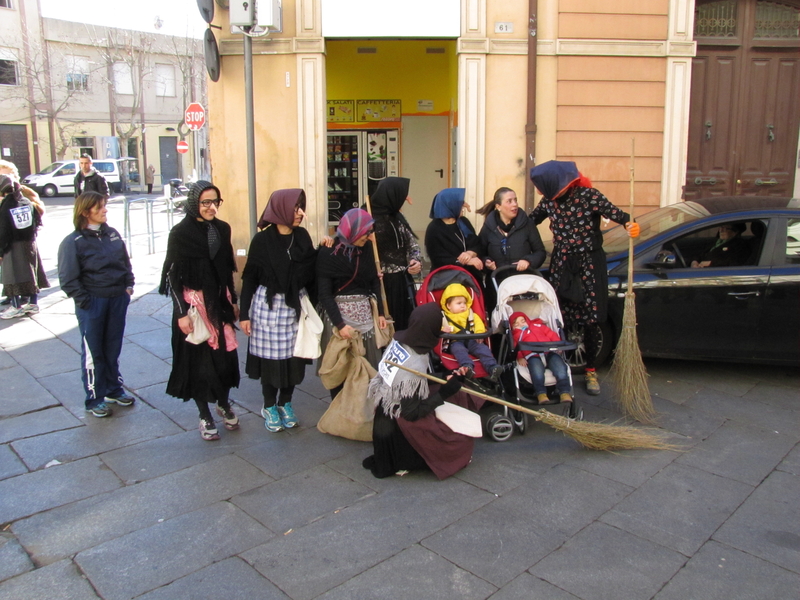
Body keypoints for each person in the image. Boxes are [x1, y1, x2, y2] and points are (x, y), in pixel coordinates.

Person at [530, 160, 639, 396]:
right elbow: (529, 222)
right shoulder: (548, 201)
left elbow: (618, 214)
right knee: (561, 316)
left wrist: (630, 224)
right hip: (562, 263)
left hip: (589, 263)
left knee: (591, 318)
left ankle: (590, 370)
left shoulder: (588, 196)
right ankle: (560, 366)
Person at [362, 302, 482, 479]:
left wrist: (444, 376)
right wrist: (445, 392)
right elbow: (411, 413)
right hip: (398, 426)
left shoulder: (400, 340)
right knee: (457, 441)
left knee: (457, 390)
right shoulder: (414, 363)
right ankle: (415, 458)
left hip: (385, 409)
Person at [159, 180, 240, 440]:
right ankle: (204, 413)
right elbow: (172, 275)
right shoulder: (180, 233)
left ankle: (224, 402)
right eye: (206, 202)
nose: (211, 207)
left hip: (220, 303)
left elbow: (227, 268)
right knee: (200, 363)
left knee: (226, 359)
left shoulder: (222, 229)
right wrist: (181, 313)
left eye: (215, 201)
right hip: (194, 307)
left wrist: (233, 299)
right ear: (194, 202)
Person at [239, 189, 318, 433]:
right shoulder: (262, 241)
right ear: (281, 208)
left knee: (294, 359)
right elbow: (249, 278)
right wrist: (243, 314)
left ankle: (285, 403)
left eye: (301, 208)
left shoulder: (302, 236)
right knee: (271, 362)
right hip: (268, 306)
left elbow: (312, 272)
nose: (301, 213)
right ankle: (269, 406)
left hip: (296, 306)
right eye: (296, 208)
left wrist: (325, 249)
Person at [57, 191, 135, 417]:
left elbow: (125, 262)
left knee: (113, 346)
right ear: (85, 212)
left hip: (117, 299)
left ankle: (113, 388)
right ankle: (94, 397)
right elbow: (68, 279)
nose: (105, 210)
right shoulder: (73, 242)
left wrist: (128, 287)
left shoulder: (112, 234)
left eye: (105, 206)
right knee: (93, 351)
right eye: (99, 207)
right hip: (93, 303)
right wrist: (86, 302)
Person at [316, 208, 387, 401]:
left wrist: (380, 313)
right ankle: (339, 410)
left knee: (368, 366)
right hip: (339, 320)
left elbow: (373, 281)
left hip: (365, 319)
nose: (369, 236)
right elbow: (324, 294)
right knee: (340, 368)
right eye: (366, 231)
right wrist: (340, 325)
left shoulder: (366, 250)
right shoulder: (328, 251)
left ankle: (364, 410)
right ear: (354, 230)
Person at [476, 186, 546, 312]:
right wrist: (487, 262)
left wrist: (528, 260)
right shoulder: (489, 227)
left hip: (522, 285)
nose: (515, 205)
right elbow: (480, 253)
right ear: (498, 206)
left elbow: (540, 252)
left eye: (515, 200)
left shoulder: (527, 224)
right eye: (509, 201)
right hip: (497, 285)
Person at [368, 176, 421, 331]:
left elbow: (412, 245)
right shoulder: (368, 217)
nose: (406, 199)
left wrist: (415, 261)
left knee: (401, 324)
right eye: (402, 194)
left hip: (400, 281)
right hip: (379, 283)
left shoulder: (397, 217)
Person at [0, 173, 49, 319]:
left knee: (12, 275)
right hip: (30, 243)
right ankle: (33, 303)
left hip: (12, 246)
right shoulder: (27, 202)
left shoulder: (6, 206)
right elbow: (37, 222)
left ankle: (16, 306)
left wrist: (1, 251)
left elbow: (3, 231)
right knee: (31, 273)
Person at [440, 282, 503, 381]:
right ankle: (467, 366)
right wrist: (442, 329)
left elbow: (478, 324)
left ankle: (492, 366)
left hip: (472, 339)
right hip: (455, 341)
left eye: (464, 303)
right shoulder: (443, 317)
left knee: (483, 349)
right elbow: (437, 328)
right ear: (448, 305)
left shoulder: (471, 314)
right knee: (459, 351)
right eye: (459, 303)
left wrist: (479, 334)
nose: (463, 306)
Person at [510, 312, 572, 404]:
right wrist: (520, 357)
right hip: (532, 355)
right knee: (536, 372)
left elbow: (551, 334)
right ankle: (541, 393)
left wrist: (558, 344)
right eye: (516, 324)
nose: (521, 324)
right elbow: (516, 348)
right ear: (513, 327)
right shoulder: (517, 335)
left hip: (549, 351)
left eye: (523, 321)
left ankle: (564, 392)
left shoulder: (538, 326)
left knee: (560, 368)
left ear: (527, 320)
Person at [425, 187, 483, 281]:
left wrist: (470, 253)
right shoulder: (434, 228)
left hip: (469, 275)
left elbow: (476, 243)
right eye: (459, 203)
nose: (463, 207)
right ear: (450, 205)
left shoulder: (464, 222)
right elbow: (438, 258)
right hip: (446, 277)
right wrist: (464, 261)